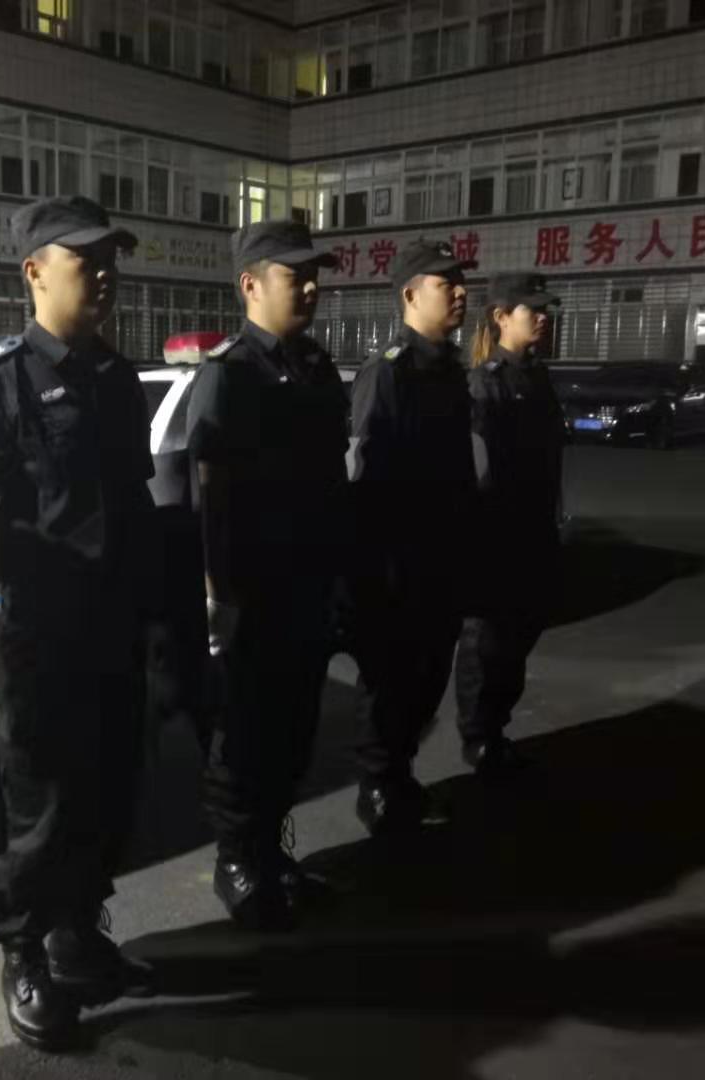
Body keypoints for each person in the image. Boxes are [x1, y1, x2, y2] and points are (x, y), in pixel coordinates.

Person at [0, 195, 157, 1051]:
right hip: (38, 634)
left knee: (107, 794)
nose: (104, 275)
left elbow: (132, 505)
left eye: (111, 260)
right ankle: (25, 953)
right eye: (85, 260)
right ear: (34, 271)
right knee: (36, 808)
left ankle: (77, 933)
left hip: (112, 630)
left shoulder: (118, 379)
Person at [186, 220, 349, 931]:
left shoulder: (317, 368)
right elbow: (212, 498)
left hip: (307, 585)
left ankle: (274, 851)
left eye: (314, 276)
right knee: (245, 732)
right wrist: (218, 594)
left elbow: (332, 483)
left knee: (295, 728)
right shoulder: (229, 373)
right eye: (294, 275)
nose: (310, 287)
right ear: (251, 284)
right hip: (252, 590)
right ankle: (239, 862)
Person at [349, 238, 477, 836]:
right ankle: (378, 786)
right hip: (398, 563)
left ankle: (399, 774)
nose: (461, 293)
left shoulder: (450, 370)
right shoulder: (388, 372)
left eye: (461, 283)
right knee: (391, 681)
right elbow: (365, 477)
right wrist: (373, 571)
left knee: (428, 677)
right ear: (409, 294)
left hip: (444, 557)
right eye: (446, 284)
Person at [454, 272, 566, 779]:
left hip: (534, 532)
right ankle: (478, 736)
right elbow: (477, 471)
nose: (542, 318)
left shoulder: (537, 377)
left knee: (520, 634)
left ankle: (495, 728)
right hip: (496, 537)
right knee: (487, 642)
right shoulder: (485, 383)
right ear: (500, 317)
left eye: (545, 310)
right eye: (531, 310)